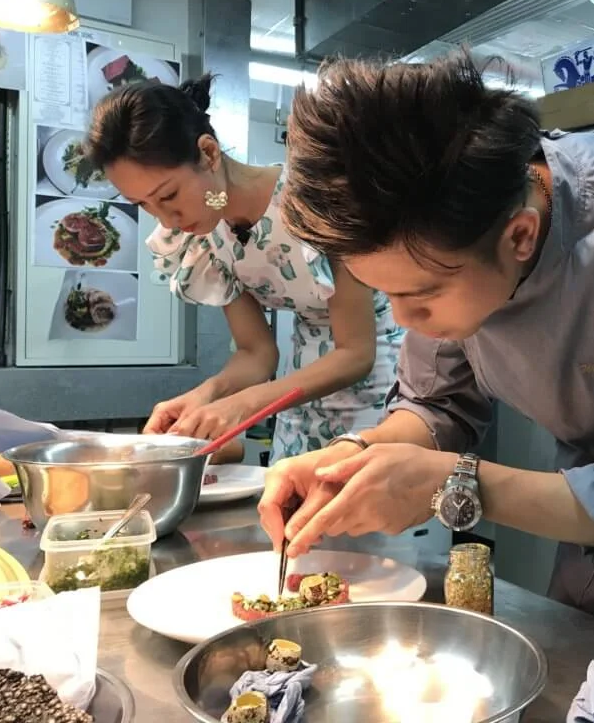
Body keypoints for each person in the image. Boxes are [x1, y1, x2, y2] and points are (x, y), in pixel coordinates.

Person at [257, 52, 594, 650]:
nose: (403, 320)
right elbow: (436, 406)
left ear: (519, 236)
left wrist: (454, 483)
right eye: (386, 294)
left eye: (421, 295)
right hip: (592, 543)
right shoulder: (445, 233)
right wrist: (350, 459)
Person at [84, 75, 403, 461]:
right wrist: (205, 396)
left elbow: (355, 353)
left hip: (381, 398)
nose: (166, 220)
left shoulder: (315, 203)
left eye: (168, 195)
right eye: (144, 204)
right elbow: (257, 352)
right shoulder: (209, 230)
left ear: (208, 152)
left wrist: (246, 403)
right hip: (298, 401)